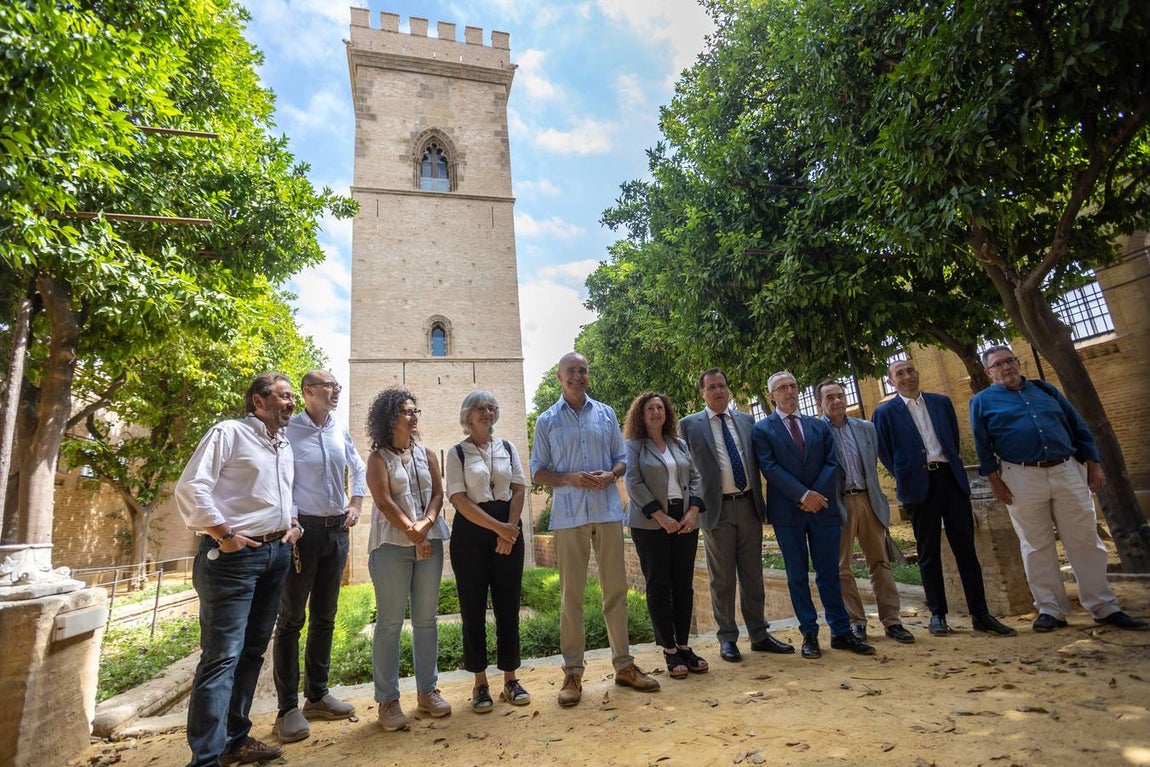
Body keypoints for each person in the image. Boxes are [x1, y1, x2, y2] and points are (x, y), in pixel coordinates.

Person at [174, 372, 303, 767]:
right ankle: (207, 758)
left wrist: (294, 525)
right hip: (232, 557)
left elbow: (282, 496)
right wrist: (223, 532)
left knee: (250, 652)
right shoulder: (228, 433)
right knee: (221, 657)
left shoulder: (284, 445)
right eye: (283, 396)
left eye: (292, 397)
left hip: (275, 554)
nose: (290, 403)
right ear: (258, 402)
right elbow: (191, 487)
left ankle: (235, 741)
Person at [970, 346, 1146, 632]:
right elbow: (981, 442)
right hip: (1021, 475)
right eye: (998, 365)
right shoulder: (982, 401)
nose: (1006, 368)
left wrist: (1094, 463)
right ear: (989, 373)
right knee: (1035, 544)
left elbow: (1077, 427)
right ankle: (1050, 609)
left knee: (1085, 539)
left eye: (1009, 361)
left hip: (1066, 469)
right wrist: (994, 479)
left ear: (1018, 362)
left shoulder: (1046, 391)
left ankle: (1104, 606)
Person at [530, 352, 660, 708]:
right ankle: (573, 672)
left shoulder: (606, 414)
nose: (577, 375)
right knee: (571, 596)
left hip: (606, 511)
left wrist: (612, 474)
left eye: (583, 370)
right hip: (569, 515)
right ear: (560, 376)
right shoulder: (546, 420)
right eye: (571, 370)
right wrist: (569, 478)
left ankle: (624, 665)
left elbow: (622, 458)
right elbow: (537, 470)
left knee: (615, 589)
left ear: (588, 375)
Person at [872, 359, 1017, 637]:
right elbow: (885, 453)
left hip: (950, 480)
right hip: (918, 487)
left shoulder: (941, 403)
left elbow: (952, 436)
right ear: (891, 382)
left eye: (910, 371)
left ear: (917, 373)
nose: (906, 377)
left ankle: (980, 613)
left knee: (966, 550)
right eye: (898, 374)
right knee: (929, 553)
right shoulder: (885, 413)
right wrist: (907, 476)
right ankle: (938, 614)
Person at [752, 371, 875, 660]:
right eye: (782, 388)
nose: (789, 392)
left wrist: (815, 496)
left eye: (793, 386)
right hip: (788, 512)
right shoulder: (762, 430)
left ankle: (841, 632)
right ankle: (809, 633)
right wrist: (802, 495)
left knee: (830, 572)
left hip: (823, 508)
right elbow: (769, 468)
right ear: (772, 396)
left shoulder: (817, 426)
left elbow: (832, 462)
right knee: (797, 574)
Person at [272, 371, 366, 743]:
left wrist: (355, 502)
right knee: (291, 619)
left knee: (325, 617)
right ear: (309, 392)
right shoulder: (288, 431)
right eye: (330, 387)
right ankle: (286, 709)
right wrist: (292, 517)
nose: (337, 390)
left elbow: (357, 467)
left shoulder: (337, 428)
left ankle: (317, 696)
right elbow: (281, 479)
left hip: (336, 531)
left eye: (337, 386)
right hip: (302, 532)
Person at [680, 369, 793, 662]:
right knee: (723, 579)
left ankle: (759, 634)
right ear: (702, 393)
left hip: (749, 505)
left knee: (753, 575)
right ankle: (727, 638)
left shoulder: (746, 420)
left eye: (722, 386)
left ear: (728, 390)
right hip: (716, 511)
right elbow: (685, 471)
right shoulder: (689, 425)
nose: (718, 391)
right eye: (711, 387)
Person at [365, 388, 451, 731]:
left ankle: (427, 691)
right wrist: (412, 532)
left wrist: (427, 525)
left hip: (429, 542)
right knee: (389, 623)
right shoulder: (377, 459)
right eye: (406, 411)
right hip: (391, 547)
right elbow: (384, 501)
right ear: (389, 418)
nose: (413, 416)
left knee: (427, 620)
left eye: (416, 410)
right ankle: (387, 700)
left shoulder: (427, 453)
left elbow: (438, 494)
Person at [446, 390, 532, 713]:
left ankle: (510, 678)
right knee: (473, 608)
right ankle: (480, 683)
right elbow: (458, 499)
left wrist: (510, 529)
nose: (487, 412)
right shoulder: (457, 453)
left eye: (491, 407)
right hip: (471, 533)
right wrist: (499, 530)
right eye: (480, 408)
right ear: (468, 415)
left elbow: (520, 488)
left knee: (508, 605)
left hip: (509, 527)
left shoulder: (507, 447)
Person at [816, 380, 915, 644]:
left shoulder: (866, 428)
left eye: (840, 395)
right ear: (820, 404)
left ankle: (892, 621)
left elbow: (876, 462)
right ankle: (856, 622)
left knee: (880, 562)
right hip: (839, 504)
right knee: (842, 567)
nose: (837, 401)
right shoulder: (817, 431)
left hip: (868, 500)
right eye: (830, 397)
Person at [623, 391, 708, 679]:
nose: (656, 412)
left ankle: (684, 645)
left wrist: (693, 511)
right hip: (649, 524)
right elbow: (633, 482)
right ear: (641, 414)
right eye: (650, 408)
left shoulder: (679, 443)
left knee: (683, 584)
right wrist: (660, 517)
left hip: (684, 520)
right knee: (659, 584)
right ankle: (670, 650)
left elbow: (695, 477)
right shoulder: (634, 445)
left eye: (660, 408)